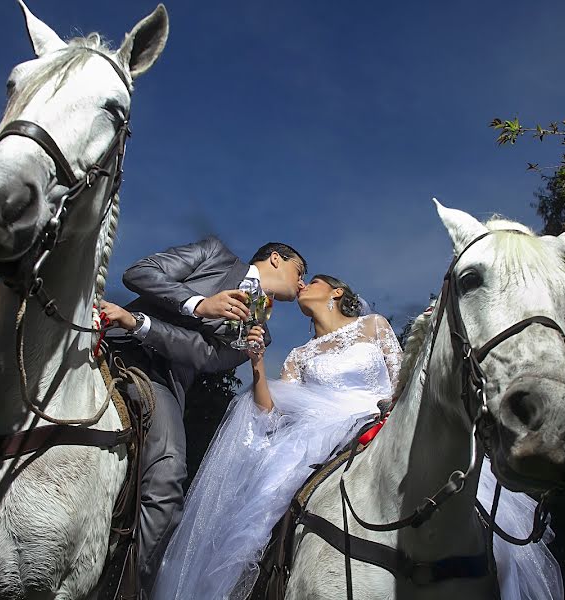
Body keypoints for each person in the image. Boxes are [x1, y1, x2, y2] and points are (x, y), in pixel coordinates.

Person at [150, 274, 403, 599]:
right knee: (260, 516)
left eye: (311, 281)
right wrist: (257, 362)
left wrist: (389, 418)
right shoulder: (299, 355)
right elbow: (270, 412)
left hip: (377, 422)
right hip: (316, 436)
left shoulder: (373, 325)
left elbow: (401, 380)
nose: (302, 286)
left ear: (336, 291)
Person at [98, 237, 307, 595]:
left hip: (160, 379)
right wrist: (198, 304)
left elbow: (207, 358)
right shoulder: (214, 253)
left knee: (168, 477)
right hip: (109, 337)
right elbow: (140, 273)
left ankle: (124, 588)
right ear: (275, 258)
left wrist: (140, 323)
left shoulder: (262, 334)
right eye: (300, 271)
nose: (302, 283)